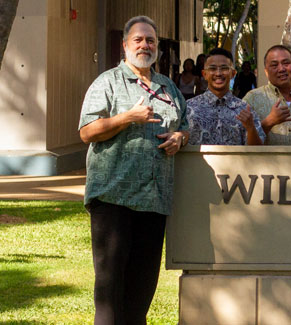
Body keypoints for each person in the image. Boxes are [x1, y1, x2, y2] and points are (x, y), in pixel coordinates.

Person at [77, 16, 188, 324]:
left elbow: (188, 126)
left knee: (141, 290)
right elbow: (87, 131)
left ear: (158, 49)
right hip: (114, 199)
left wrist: (181, 136)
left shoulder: (169, 88)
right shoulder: (107, 82)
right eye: (138, 40)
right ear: (125, 45)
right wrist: (128, 117)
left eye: (150, 40)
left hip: (155, 200)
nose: (145, 45)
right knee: (110, 291)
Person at [187, 48, 264, 145]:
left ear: (233, 73)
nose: (218, 73)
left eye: (224, 68)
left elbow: (256, 151)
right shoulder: (189, 109)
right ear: (204, 74)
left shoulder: (245, 110)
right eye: (212, 68)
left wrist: (251, 128)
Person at [243, 45, 291, 145]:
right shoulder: (252, 99)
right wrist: (269, 122)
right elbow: (242, 142)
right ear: (266, 71)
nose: (281, 69)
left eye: (286, 63)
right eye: (274, 65)